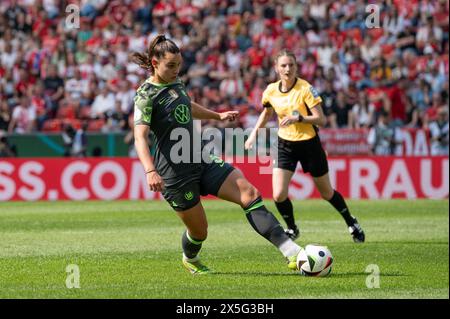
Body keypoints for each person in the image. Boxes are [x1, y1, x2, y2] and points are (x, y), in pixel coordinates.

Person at [132, 35, 303, 274]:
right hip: (174, 172)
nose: (176, 70)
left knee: (250, 193)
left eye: (178, 65)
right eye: (170, 65)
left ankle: (292, 252)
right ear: (154, 62)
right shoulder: (145, 94)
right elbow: (140, 136)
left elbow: (187, 106)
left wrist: (217, 115)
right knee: (200, 232)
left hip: (199, 157)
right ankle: (190, 259)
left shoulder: (176, 82)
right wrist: (150, 170)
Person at [245, 50, 365, 243]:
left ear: (296, 67)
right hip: (284, 144)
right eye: (283, 65)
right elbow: (267, 114)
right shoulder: (271, 90)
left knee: (326, 193)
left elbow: (322, 119)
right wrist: (253, 134)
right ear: (276, 68)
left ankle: (351, 221)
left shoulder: (305, 89)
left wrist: (299, 118)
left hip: (309, 143)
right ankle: (292, 228)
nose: (287, 69)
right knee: (278, 194)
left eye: (291, 65)